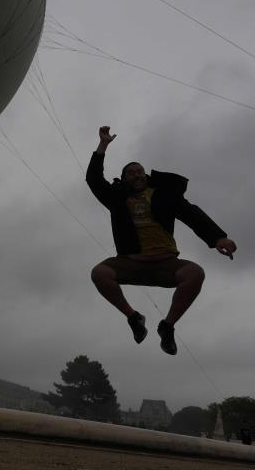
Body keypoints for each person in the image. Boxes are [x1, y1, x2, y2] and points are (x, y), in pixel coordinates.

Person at [87, 126, 236, 355]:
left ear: (145, 175)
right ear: (124, 179)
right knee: (99, 273)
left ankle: (167, 327)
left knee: (195, 273)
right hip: (131, 263)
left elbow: (191, 212)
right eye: (131, 173)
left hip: (165, 265)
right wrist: (103, 146)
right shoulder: (116, 199)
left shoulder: (164, 196)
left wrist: (218, 237)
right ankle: (134, 318)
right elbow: (94, 180)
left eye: (140, 171)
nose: (136, 175)